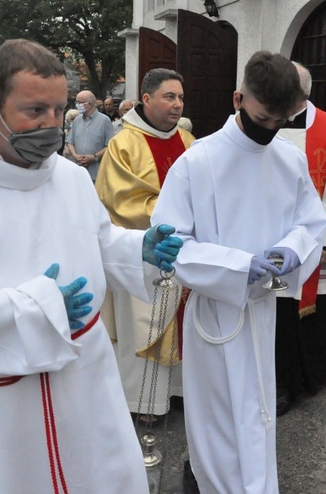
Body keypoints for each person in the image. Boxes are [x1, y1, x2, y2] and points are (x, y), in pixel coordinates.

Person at [0, 38, 183, 494]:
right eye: (34, 111)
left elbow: (99, 241)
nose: (50, 125)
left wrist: (137, 249)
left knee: (104, 476)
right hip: (7, 383)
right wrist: (36, 308)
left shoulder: (67, 177)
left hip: (87, 370)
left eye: (57, 110)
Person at [151, 51, 326, 493]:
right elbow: (169, 245)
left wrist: (292, 249)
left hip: (264, 308)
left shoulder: (289, 159)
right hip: (215, 313)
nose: (271, 129)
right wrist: (234, 265)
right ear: (238, 100)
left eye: (281, 121)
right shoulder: (198, 161)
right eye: (264, 117)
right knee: (217, 416)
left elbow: (310, 222)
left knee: (257, 412)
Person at [95, 68, 195, 421]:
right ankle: (143, 403)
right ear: (147, 99)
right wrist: (181, 220)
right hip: (141, 253)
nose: (177, 105)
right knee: (142, 324)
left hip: (185, 250)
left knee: (184, 320)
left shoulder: (187, 141)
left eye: (181, 98)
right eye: (170, 97)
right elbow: (120, 202)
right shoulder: (124, 144)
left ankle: (178, 391)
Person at [274, 62, 326, 415]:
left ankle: (314, 375)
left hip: (314, 235)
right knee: (277, 308)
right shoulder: (266, 120)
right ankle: (281, 380)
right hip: (274, 236)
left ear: (301, 92)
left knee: (313, 310)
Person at [66, 90, 113, 182]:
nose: (77, 105)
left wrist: (94, 157)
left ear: (90, 104)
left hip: (97, 174)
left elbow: (110, 145)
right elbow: (70, 142)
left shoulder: (105, 120)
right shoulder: (77, 120)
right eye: (76, 102)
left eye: (80, 102)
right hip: (78, 172)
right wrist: (75, 155)